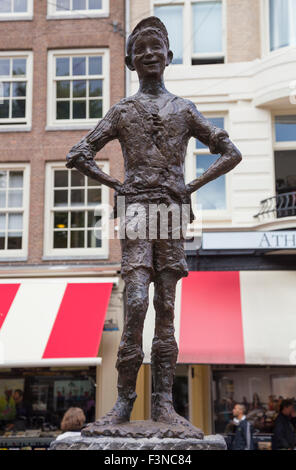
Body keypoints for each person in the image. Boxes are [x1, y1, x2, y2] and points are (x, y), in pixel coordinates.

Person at [66, 16, 242, 426]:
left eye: (155, 46)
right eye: (140, 48)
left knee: (165, 306)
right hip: (137, 212)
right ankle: (125, 400)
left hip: (171, 211)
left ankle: (163, 401)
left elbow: (231, 152)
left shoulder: (184, 109)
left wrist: (191, 186)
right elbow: (78, 154)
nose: (148, 54)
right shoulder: (122, 111)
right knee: (135, 300)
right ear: (129, 60)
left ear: (168, 56)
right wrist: (118, 184)